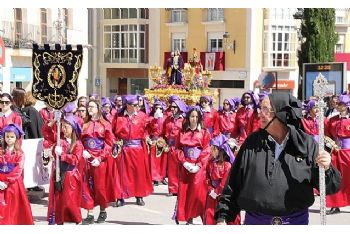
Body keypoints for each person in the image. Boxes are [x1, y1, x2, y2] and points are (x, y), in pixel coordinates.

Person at [215, 92, 341, 225]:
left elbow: (330, 187)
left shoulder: (307, 145)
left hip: (295, 223)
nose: (259, 114)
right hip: (256, 222)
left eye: (265, 109)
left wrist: (326, 169)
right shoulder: (252, 143)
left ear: (280, 114)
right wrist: (222, 217)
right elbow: (234, 182)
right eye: (260, 108)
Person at [112, 95, 153, 207]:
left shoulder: (142, 116)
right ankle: (120, 197)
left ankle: (139, 196)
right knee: (121, 174)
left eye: (137, 104)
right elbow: (112, 131)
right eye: (134, 105)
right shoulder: (119, 117)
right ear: (128, 105)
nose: (137, 107)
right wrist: (116, 142)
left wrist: (156, 119)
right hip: (123, 149)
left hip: (138, 149)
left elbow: (150, 129)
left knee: (138, 173)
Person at [43, 115, 84, 225]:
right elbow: (46, 132)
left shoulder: (78, 144)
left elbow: (75, 159)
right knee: (58, 200)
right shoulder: (59, 140)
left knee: (70, 202)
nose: (63, 129)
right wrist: (54, 121)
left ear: (73, 128)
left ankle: (78, 221)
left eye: (66, 127)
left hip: (71, 176)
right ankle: (59, 221)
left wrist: (63, 155)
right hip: (58, 174)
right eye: (62, 126)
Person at [174, 107, 211, 224]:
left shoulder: (204, 132)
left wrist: (198, 165)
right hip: (185, 166)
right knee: (185, 192)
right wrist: (184, 162)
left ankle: (203, 217)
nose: (194, 119)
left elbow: (206, 150)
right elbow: (177, 149)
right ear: (188, 118)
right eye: (192, 116)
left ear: (199, 118)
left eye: (196, 117)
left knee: (198, 193)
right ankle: (188, 218)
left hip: (198, 166)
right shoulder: (182, 132)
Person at [81, 100, 114, 225]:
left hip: (99, 159)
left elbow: (109, 144)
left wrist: (100, 158)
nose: (89, 108)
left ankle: (103, 209)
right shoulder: (84, 123)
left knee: (100, 186)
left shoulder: (105, 124)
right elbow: (78, 139)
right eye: (88, 106)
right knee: (87, 186)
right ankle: (90, 213)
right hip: (86, 157)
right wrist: (82, 151)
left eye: (92, 106)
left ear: (98, 108)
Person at [0, 124, 34, 224]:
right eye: (7, 136)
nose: (9, 139)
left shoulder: (19, 153)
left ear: (16, 138)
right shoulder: (1, 151)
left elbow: (18, 170)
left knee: (14, 207)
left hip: (13, 184)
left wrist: (6, 181)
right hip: (1, 181)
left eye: (12, 137)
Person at [203, 134, 240, 225]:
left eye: (214, 149)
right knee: (209, 215)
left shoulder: (227, 165)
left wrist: (217, 191)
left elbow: (224, 182)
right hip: (212, 196)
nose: (211, 151)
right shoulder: (210, 163)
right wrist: (210, 189)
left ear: (221, 151)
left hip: (223, 196)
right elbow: (207, 177)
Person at [325, 94, 350, 215]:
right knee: (334, 179)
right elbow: (327, 134)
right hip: (335, 153)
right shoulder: (332, 120)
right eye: (338, 104)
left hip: (349, 153)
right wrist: (330, 143)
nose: (338, 106)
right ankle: (335, 205)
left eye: (341, 104)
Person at [162, 98, 187, 196]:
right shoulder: (168, 119)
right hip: (171, 146)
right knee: (172, 169)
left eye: (174, 107)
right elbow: (164, 132)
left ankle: (182, 189)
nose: (172, 109)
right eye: (171, 107)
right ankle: (173, 189)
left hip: (181, 146)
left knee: (181, 168)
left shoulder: (184, 120)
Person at [146, 100, 168, 186]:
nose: (158, 110)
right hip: (154, 141)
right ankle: (154, 178)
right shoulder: (151, 118)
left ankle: (162, 177)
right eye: (156, 108)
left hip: (162, 141)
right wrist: (148, 139)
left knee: (163, 161)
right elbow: (147, 130)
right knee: (154, 162)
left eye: (160, 108)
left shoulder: (166, 118)